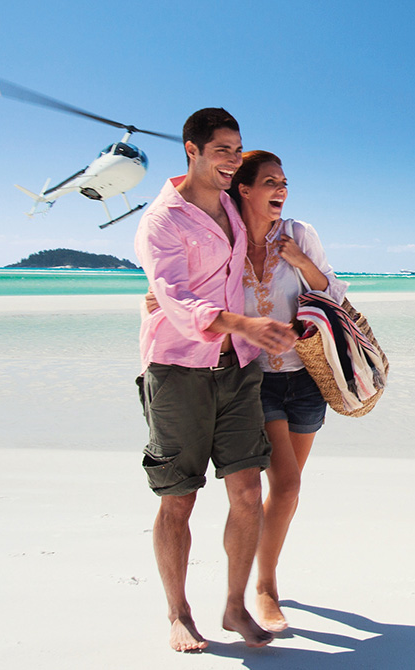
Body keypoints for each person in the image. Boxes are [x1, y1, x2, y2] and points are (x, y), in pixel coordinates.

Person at [133, 108, 297, 653]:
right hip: (177, 370)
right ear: (192, 149)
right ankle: (179, 612)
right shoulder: (162, 221)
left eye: (237, 149)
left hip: (238, 368)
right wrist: (243, 321)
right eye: (222, 149)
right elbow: (178, 301)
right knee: (179, 498)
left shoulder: (230, 204)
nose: (231, 159)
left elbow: (265, 224)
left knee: (248, 494)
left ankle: (233, 607)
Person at [228, 150, 350, 633]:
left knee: (285, 490)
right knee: (288, 484)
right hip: (253, 377)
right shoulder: (226, 238)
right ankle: (265, 586)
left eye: (284, 182)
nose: (281, 189)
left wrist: (301, 262)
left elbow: (333, 293)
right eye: (270, 182)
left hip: (306, 376)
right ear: (244, 188)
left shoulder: (300, 234)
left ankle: (258, 571)